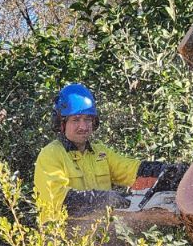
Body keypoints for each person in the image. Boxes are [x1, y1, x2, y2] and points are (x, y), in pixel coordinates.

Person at [34, 82, 166, 221]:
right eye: (76, 120)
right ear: (61, 123)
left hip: (102, 231)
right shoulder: (51, 154)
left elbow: (131, 170)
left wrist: (165, 171)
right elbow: (57, 200)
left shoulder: (100, 153)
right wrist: (101, 198)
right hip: (61, 232)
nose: (83, 126)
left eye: (87, 119)